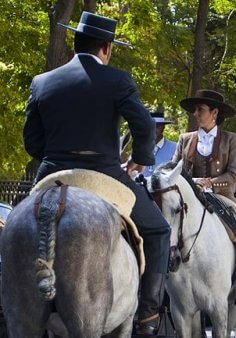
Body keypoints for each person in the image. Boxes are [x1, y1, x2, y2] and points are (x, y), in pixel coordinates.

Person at [22, 11, 171, 335]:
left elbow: (31, 141)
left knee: (15, 227)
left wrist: (57, 156)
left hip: (52, 172)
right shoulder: (118, 80)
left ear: (76, 43)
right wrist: (140, 160)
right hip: (104, 172)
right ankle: (147, 317)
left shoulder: (43, 82)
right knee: (159, 231)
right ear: (107, 48)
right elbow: (144, 125)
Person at [172, 89, 236, 306]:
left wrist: (211, 183)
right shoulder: (185, 139)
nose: (195, 113)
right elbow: (174, 169)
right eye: (195, 109)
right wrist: (193, 183)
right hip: (190, 198)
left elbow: (233, 175)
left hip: (222, 197)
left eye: (200, 110)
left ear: (214, 113)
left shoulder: (231, 140)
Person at [142, 107, 176, 177]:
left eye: (157, 126)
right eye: (151, 126)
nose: (154, 129)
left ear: (163, 127)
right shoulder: (140, 147)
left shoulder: (174, 148)